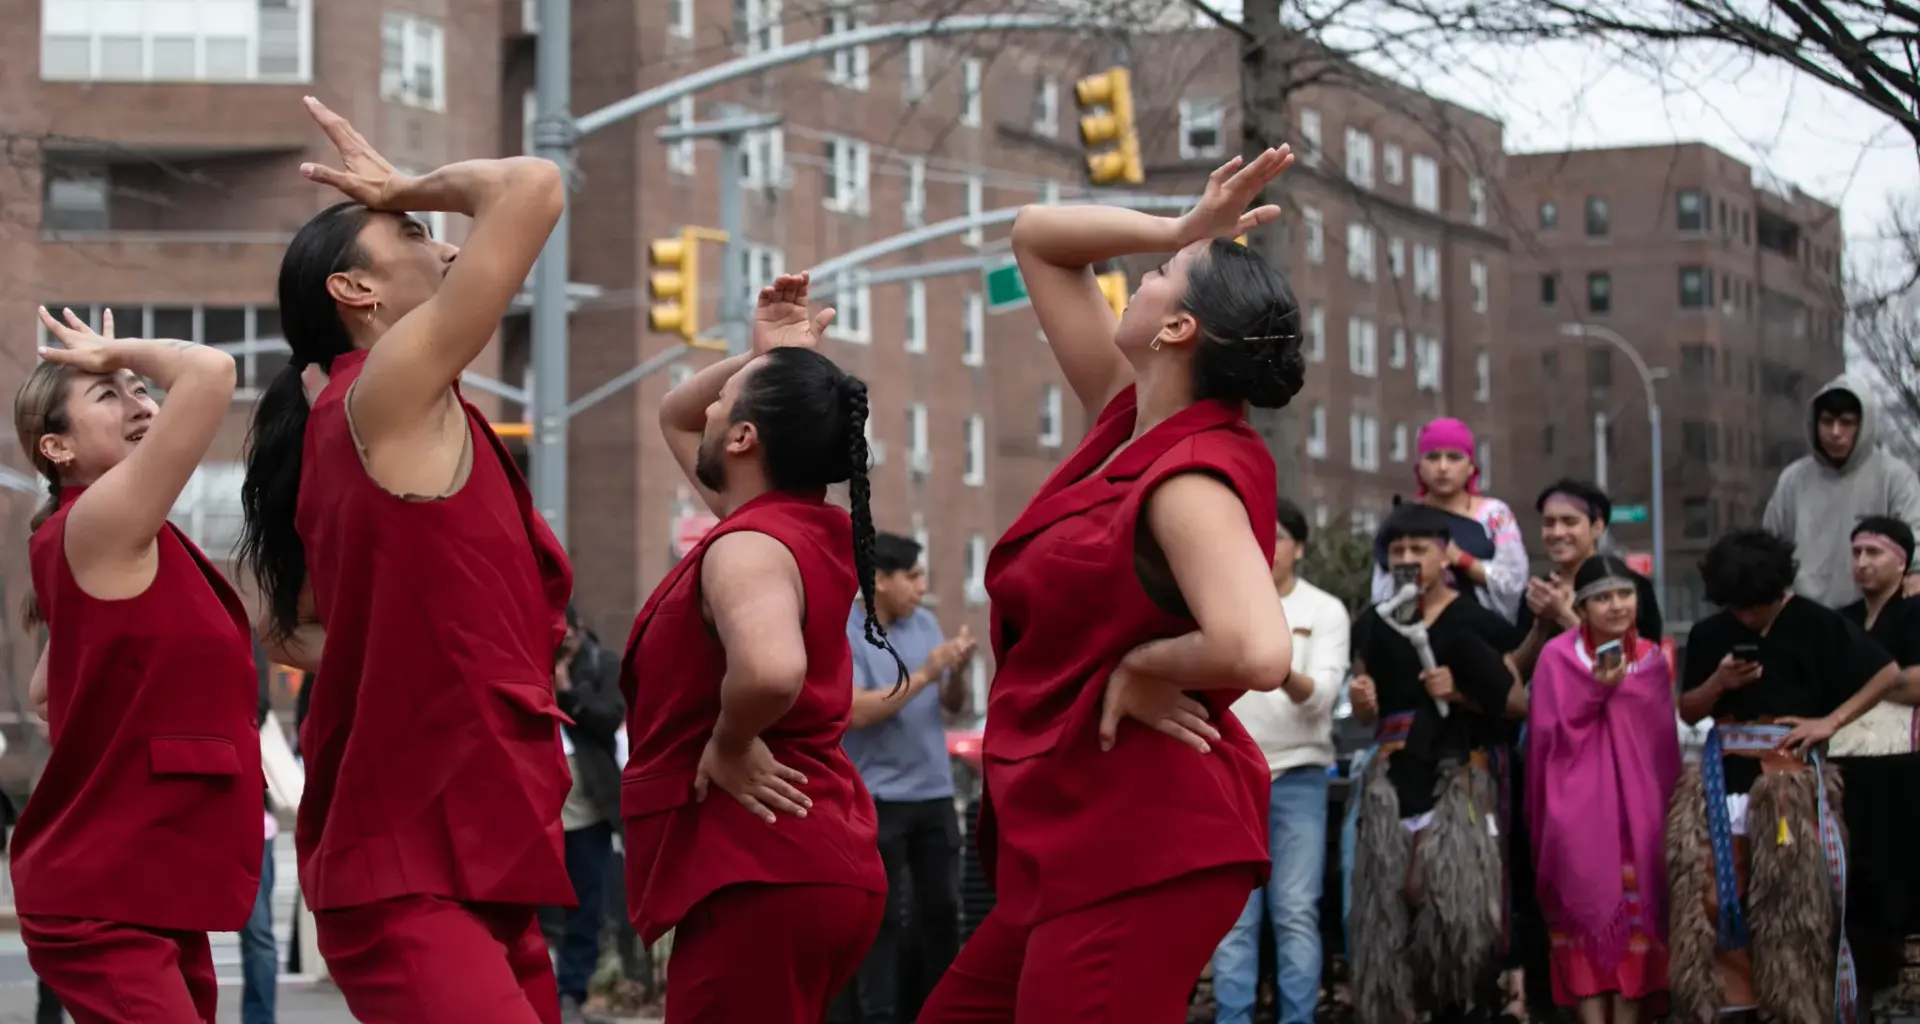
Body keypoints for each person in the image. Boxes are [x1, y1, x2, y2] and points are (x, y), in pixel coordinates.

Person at [916, 148, 1303, 1021]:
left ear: (1178, 330)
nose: (1144, 275)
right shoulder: (1127, 419)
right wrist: (1185, 228)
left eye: (1162, 273)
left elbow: (1257, 646)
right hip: (1080, 834)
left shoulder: (1194, 473)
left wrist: (1144, 669)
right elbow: (1039, 239)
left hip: (1143, 838)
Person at [235, 98, 575, 1023]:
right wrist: (403, 185)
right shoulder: (383, 388)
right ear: (358, 293)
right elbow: (535, 185)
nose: (453, 248)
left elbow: (301, 627)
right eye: (418, 234)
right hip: (406, 866)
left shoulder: (381, 421)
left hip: (480, 842)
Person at [619, 273, 899, 1022]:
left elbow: (772, 669)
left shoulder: (749, 547)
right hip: (805, 863)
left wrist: (731, 738)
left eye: (729, 402)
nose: (710, 403)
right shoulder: (790, 524)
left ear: (743, 439)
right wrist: (771, 353)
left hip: (764, 866)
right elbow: (678, 415)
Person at [12, 308, 264, 1020]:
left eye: (138, 388)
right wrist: (121, 347)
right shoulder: (98, 522)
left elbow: (43, 693)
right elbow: (212, 372)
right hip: (104, 899)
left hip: (149, 879)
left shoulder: (119, 535)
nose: (142, 403)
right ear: (56, 447)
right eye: (109, 393)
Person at [1668, 529, 1899, 1024]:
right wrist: (1719, 683)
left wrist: (1829, 722)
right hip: (1722, 778)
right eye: (1737, 608)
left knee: (1791, 904)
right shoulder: (1712, 632)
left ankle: (1795, 1006)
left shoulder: (1817, 624)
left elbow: (1887, 673)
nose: (1746, 618)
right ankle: (1733, 1003)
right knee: (1716, 897)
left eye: (1755, 608)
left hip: (1789, 783)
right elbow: (1688, 709)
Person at [1347, 502, 1524, 1024]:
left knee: (1451, 911)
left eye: (1417, 549)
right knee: (1388, 910)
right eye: (1397, 550)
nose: (1406, 558)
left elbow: (1517, 703)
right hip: (1391, 783)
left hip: (1456, 777)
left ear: (1443, 554)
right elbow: (1364, 705)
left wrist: (1463, 693)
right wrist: (1362, 703)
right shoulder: (1374, 624)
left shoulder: (1475, 622)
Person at [1209, 497, 1351, 1024]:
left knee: (1294, 912)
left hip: (1299, 776)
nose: (1263, 550)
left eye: (1276, 538)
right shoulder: (1222, 601)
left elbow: (1320, 699)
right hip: (1230, 777)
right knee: (1234, 917)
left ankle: (1298, 1018)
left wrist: (1276, 665)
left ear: (1299, 547)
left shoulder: (1325, 609)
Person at [1525, 555, 1682, 1024]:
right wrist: (1594, 690)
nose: (1616, 606)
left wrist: (1611, 690)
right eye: (1602, 598)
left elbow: (1658, 748)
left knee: (1636, 934)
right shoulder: (1557, 657)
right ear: (1582, 605)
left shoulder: (1653, 662)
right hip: (1577, 817)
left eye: (1625, 594)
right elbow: (1548, 737)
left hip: (1639, 819)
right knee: (1584, 927)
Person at [837, 532, 978, 1024]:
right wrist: (924, 674)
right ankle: (879, 1014)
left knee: (941, 911)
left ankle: (938, 1012)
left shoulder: (926, 624)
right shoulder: (848, 630)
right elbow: (854, 711)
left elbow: (953, 706)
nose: (922, 587)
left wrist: (955, 673)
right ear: (877, 579)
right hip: (877, 798)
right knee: (880, 920)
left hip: (933, 793)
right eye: (912, 576)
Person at [1831, 517, 1920, 1001]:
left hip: (1905, 762)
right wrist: (1892, 680)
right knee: (1856, 880)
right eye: (1856, 552)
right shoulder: (1841, 619)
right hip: (1849, 763)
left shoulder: (1914, 614)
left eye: (1874, 553)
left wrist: (1871, 682)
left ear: (1902, 561)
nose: (1862, 563)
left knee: (1901, 871)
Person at [1762, 375, 1920, 607]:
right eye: (1827, 421)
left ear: (1863, 426)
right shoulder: (1793, 480)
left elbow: (1915, 531)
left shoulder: (1893, 476)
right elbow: (1770, 543)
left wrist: (1916, 571)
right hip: (1803, 614)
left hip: (1871, 614)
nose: (1835, 432)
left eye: (1846, 423)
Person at [1371, 418, 1528, 623]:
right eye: (1433, 457)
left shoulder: (1494, 514)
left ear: (1471, 467)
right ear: (1419, 467)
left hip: (1483, 634)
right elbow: (1384, 593)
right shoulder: (1404, 520)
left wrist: (1462, 559)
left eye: (1454, 458)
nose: (1443, 467)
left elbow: (1513, 583)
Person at [552, 606, 625, 1023]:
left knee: (586, 900)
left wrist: (568, 694)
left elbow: (609, 717)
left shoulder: (600, 662)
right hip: (539, 800)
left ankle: (572, 992)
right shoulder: (526, 659)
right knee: (535, 902)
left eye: (567, 637)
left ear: (580, 631)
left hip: (589, 802)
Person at [1512, 480, 1663, 679]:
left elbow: (1639, 664)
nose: (1557, 533)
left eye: (1569, 522)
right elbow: (1517, 675)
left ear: (1597, 527)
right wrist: (1540, 627)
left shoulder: (1631, 586)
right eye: (1549, 523)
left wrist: (1564, 616)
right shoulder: (1539, 592)